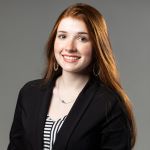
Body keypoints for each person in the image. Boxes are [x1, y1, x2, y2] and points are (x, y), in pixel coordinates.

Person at [7, 3, 136, 150]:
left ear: (97, 46)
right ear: (53, 42)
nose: (69, 47)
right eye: (62, 36)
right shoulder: (29, 93)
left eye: (82, 38)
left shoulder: (109, 104)